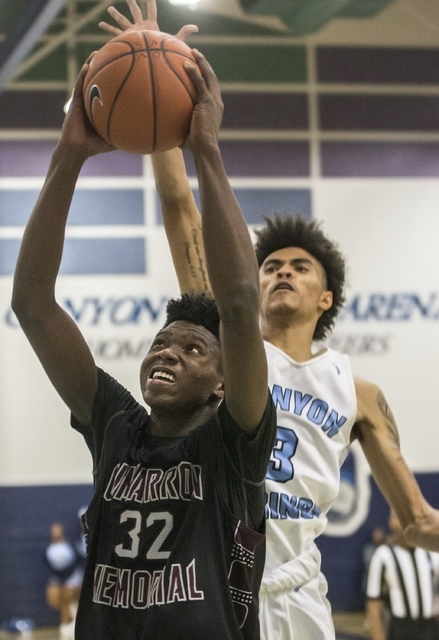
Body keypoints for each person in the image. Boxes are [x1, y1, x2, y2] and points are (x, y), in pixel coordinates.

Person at [99, 4, 439, 638]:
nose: (281, 272)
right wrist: (158, 78)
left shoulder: (359, 393)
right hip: (212, 582)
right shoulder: (229, 348)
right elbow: (180, 207)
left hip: (299, 592)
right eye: (271, 264)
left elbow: (417, 520)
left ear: (326, 297)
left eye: (300, 267)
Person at [11, 10, 277, 640]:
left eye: (191, 349)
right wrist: (69, 154)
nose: (168, 353)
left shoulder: (233, 446)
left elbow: (239, 304)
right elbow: (32, 303)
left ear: (222, 383)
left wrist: (206, 151)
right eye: (163, 342)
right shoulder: (117, 427)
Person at [366, 510, 439, 640]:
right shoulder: (382, 556)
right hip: (401, 629)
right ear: (390, 522)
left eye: (409, 517)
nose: (405, 522)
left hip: (430, 627)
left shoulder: (431, 552)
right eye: (398, 517)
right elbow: (374, 605)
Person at [45, 523, 83, 640]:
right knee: (61, 601)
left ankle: (75, 625)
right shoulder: (49, 550)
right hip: (60, 580)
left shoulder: (70, 546)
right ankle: (66, 627)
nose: (55, 533)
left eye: (58, 531)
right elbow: (51, 567)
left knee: (72, 601)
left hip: (72, 578)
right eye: (53, 531)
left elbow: (77, 562)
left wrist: (68, 580)